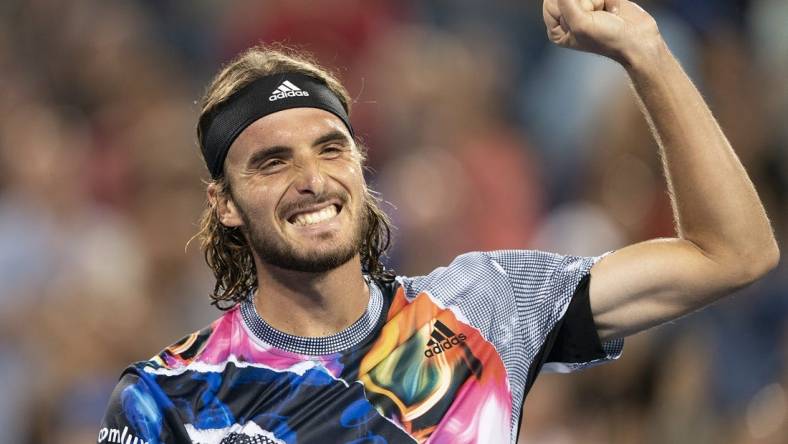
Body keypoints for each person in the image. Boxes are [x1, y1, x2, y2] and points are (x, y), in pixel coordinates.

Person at [98, 1, 779, 443]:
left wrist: (645, 51)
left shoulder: (488, 304)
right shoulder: (169, 399)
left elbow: (733, 252)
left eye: (331, 148)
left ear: (361, 167)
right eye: (272, 162)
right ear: (224, 202)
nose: (312, 178)